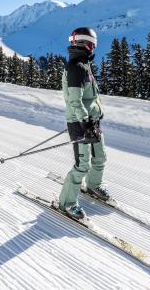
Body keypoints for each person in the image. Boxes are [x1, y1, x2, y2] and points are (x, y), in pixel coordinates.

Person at [58, 27, 108, 219]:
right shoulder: (76, 67)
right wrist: (85, 123)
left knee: (100, 157)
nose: (94, 48)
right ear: (88, 44)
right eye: (93, 45)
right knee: (83, 164)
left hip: (90, 121)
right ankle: (67, 203)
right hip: (80, 123)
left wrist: (94, 117)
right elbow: (75, 101)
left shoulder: (84, 64)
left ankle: (94, 186)